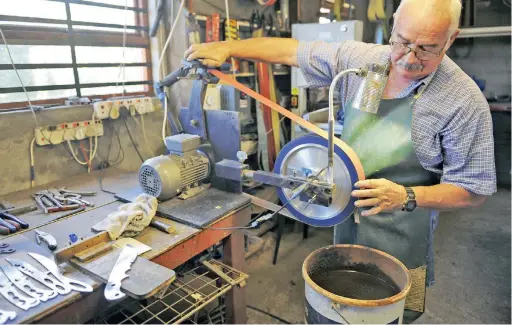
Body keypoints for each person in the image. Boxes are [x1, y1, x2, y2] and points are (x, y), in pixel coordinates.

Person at [185, 0, 496, 321]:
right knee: (341, 302)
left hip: (404, 232)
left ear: (451, 39)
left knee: (396, 312)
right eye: (402, 42)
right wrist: (228, 47)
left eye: (426, 49)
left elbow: (473, 189)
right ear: (392, 27)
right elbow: (293, 51)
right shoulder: (366, 65)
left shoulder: (462, 101)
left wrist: (406, 196)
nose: (408, 57)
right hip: (346, 221)